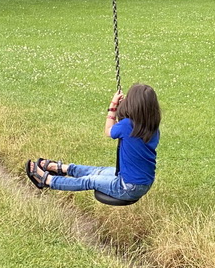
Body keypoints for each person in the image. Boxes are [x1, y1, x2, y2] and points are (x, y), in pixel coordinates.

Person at [26, 83, 161, 202]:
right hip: (142, 182)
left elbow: (108, 130)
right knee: (97, 171)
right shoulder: (152, 129)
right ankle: (61, 168)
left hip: (127, 187)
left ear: (132, 105)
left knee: (90, 180)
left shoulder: (127, 126)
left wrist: (113, 106)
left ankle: (47, 180)